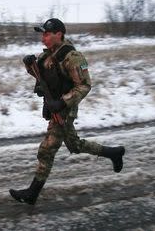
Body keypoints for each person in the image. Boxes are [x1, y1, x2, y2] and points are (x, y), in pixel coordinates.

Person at [9, 18, 125, 205]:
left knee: (46, 150)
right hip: (53, 105)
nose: (43, 38)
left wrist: (63, 103)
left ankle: (32, 193)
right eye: (42, 34)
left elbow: (85, 85)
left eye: (47, 34)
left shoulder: (72, 57)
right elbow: (42, 76)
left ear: (59, 34)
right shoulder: (47, 56)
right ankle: (113, 153)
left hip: (64, 110)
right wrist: (29, 65)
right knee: (74, 145)